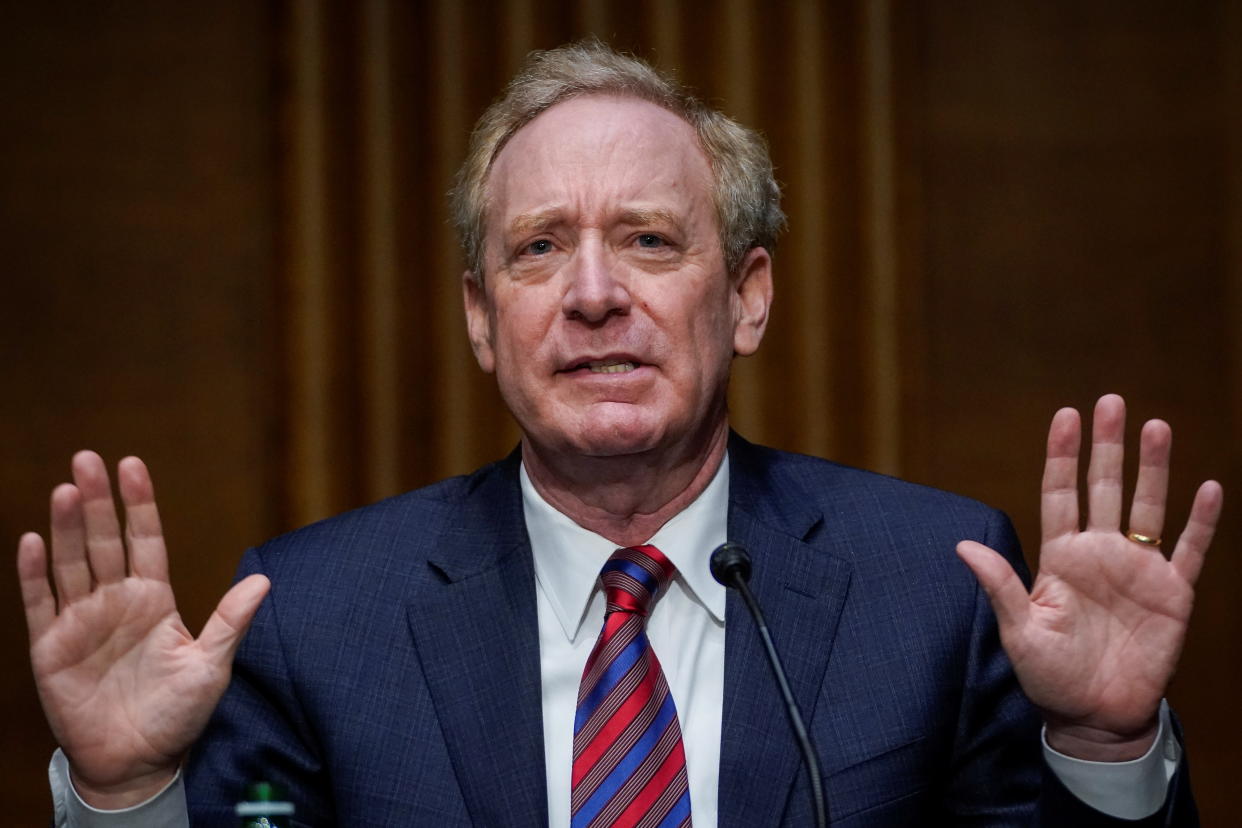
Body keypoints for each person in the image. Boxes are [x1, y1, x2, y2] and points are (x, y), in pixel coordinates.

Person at [18, 41, 1222, 827]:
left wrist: (1103, 747)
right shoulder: (321, 620)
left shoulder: (939, 588)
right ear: (484, 320)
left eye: (650, 239)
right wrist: (127, 796)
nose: (595, 293)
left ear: (747, 296)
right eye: (540, 248)